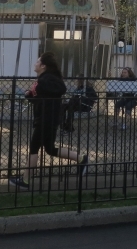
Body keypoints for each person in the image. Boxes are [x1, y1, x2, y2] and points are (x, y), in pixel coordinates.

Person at [9, 52, 87, 190]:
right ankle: (80, 158)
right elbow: (42, 98)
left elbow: (50, 93)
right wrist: (30, 96)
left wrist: (34, 90)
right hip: (49, 117)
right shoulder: (49, 79)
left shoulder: (44, 80)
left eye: (38, 62)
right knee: (50, 148)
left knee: (34, 148)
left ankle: (25, 181)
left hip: (45, 118)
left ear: (43, 66)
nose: (35, 64)